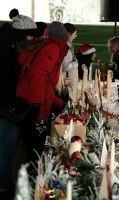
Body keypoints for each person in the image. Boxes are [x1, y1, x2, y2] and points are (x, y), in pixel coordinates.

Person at [13, 18, 69, 170]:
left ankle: (28, 185)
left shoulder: (46, 47)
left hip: (31, 104)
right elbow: (38, 77)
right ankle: (30, 188)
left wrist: (60, 103)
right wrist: (38, 109)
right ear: (63, 40)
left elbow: (46, 87)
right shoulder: (53, 49)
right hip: (34, 108)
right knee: (36, 151)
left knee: (33, 149)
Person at [0, 22, 21, 200]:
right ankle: (4, 185)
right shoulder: (12, 55)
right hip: (8, 109)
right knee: (6, 148)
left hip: (4, 109)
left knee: (4, 148)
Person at [61, 23, 78, 101]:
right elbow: (64, 67)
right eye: (74, 35)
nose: (74, 37)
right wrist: (75, 63)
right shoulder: (64, 48)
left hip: (65, 82)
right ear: (69, 34)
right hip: (64, 83)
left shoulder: (68, 47)